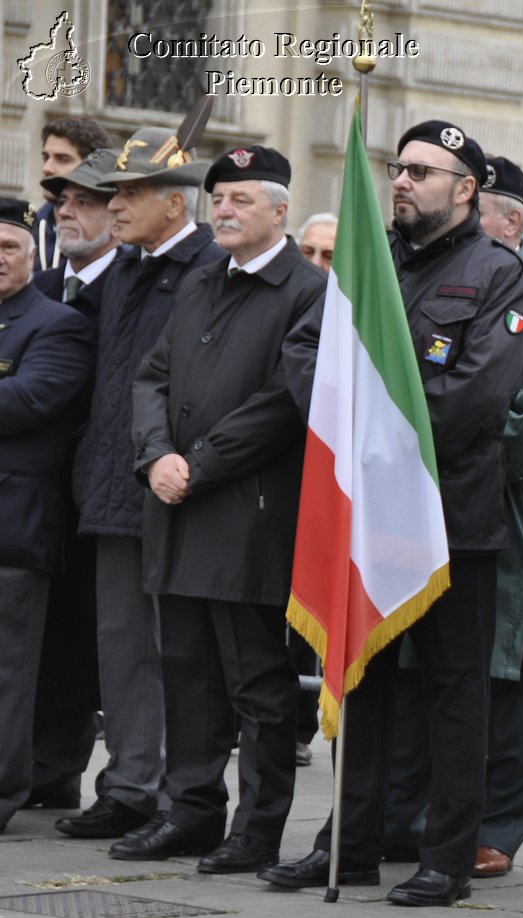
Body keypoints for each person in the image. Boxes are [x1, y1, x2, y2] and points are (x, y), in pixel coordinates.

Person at [261, 120, 523, 906]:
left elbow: (478, 395)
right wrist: (344, 429)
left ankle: (446, 857)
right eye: (398, 167)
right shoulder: (367, 262)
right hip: (365, 517)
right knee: (362, 682)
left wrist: (372, 437)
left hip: (448, 517)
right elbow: (305, 353)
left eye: (424, 170)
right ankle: (347, 847)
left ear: (466, 188)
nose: (403, 180)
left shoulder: (501, 275)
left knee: (455, 692)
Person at [114, 146, 324, 870]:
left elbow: (281, 405)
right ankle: (192, 811)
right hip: (174, 507)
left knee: (257, 683)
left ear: (279, 209)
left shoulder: (308, 290)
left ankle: (256, 828)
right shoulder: (203, 280)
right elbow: (153, 376)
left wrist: (195, 465)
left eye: (240, 198)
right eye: (219, 199)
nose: (224, 210)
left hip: (247, 514)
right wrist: (154, 455)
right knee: (186, 673)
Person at [381, 155, 523, 879]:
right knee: (423, 670)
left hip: (509, 506)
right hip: (429, 503)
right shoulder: (427, 273)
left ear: (509, 222)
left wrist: (433, 455)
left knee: (509, 670)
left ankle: (497, 822)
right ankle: (414, 814)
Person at [55, 127, 225, 843]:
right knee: (120, 645)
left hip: (173, 485)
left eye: (128, 193)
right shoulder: (124, 266)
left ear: (174, 203)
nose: (113, 207)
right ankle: (127, 784)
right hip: (112, 483)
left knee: (173, 653)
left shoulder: (208, 269)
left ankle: (172, 794)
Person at [26, 147, 125, 812]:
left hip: (99, 487)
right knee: (40, 633)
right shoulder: (45, 286)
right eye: (62, 200)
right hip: (40, 491)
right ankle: (35, 761)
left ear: (117, 216)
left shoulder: (128, 287)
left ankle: (60, 764)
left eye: (84, 201)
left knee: (80, 638)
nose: (66, 211)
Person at [0, 199, 94, 832]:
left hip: (12, 526)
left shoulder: (56, 323)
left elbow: (29, 401)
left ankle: (3, 792)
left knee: (6, 674)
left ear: (33, 257)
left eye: (7, 248)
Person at [33, 118, 112, 273]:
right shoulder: (28, 232)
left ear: (91, 167)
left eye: (62, 159)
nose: (47, 168)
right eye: (45, 158)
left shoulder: (120, 239)